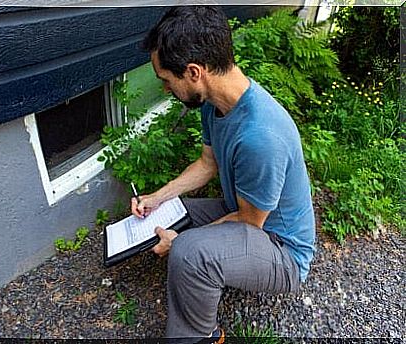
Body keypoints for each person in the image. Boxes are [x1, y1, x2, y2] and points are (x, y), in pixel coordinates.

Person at [131, 6, 316, 341]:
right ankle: (194, 252)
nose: (164, 90)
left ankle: (200, 336)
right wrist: (156, 198)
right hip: (247, 217)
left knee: (188, 252)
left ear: (193, 72)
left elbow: (249, 222)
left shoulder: (261, 136)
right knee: (175, 212)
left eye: (165, 80)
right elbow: (207, 164)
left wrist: (183, 243)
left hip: (282, 250)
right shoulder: (216, 105)